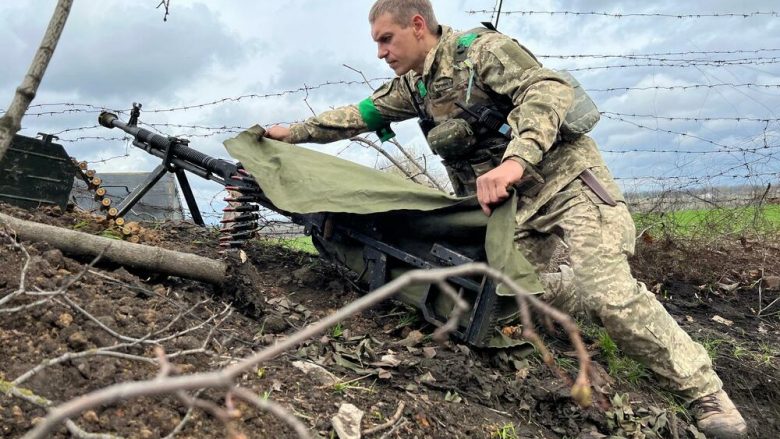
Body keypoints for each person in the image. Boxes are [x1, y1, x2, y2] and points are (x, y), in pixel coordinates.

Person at [264, 1, 747, 437]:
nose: (380, 53)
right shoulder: (415, 86)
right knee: (508, 294)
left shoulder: (480, 51)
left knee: (608, 291)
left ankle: (705, 393)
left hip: (568, 186)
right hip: (512, 212)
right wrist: (291, 134)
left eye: (385, 40)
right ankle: (581, 293)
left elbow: (548, 89)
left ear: (417, 25)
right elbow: (360, 114)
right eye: (376, 44)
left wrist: (515, 161)